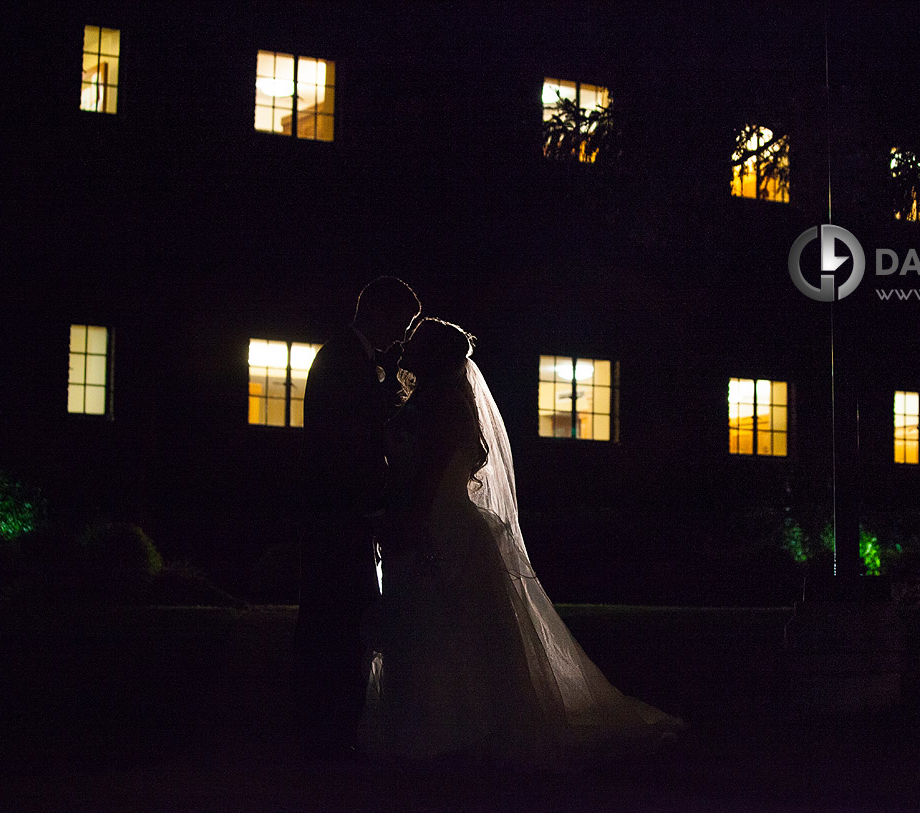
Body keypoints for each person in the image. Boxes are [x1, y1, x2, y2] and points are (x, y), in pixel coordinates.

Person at [359, 318, 684, 769]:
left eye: (415, 340)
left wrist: (411, 519)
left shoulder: (440, 405)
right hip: (441, 520)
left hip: (435, 523)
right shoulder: (433, 399)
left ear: (431, 353)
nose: (405, 344)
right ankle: (443, 725)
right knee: (440, 626)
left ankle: (439, 728)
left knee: (433, 623)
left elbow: (431, 473)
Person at [293, 276, 421, 759]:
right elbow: (342, 447)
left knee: (342, 618)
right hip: (337, 513)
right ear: (380, 312)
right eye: (401, 322)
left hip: (342, 513)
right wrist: (374, 501)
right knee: (332, 619)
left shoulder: (353, 359)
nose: (402, 336)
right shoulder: (342, 359)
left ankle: (329, 725)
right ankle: (323, 730)